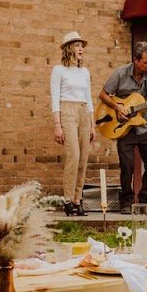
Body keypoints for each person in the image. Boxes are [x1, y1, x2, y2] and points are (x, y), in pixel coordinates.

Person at [99, 41, 147, 213]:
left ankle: (145, 200)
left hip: (145, 126)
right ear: (136, 60)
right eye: (146, 62)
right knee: (127, 164)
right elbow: (103, 94)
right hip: (124, 127)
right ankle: (126, 201)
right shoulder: (121, 73)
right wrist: (118, 107)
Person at [51, 31, 95, 216]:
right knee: (74, 156)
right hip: (67, 112)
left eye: (82, 45)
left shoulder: (84, 72)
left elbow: (89, 98)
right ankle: (67, 199)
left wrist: (92, 124)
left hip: (84, 112)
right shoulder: (58, 70)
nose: (81, 48)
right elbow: (55, 98)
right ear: (69, 48)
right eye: (77, 45)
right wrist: (57, 125)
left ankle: (78, 199)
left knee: (83, 158)